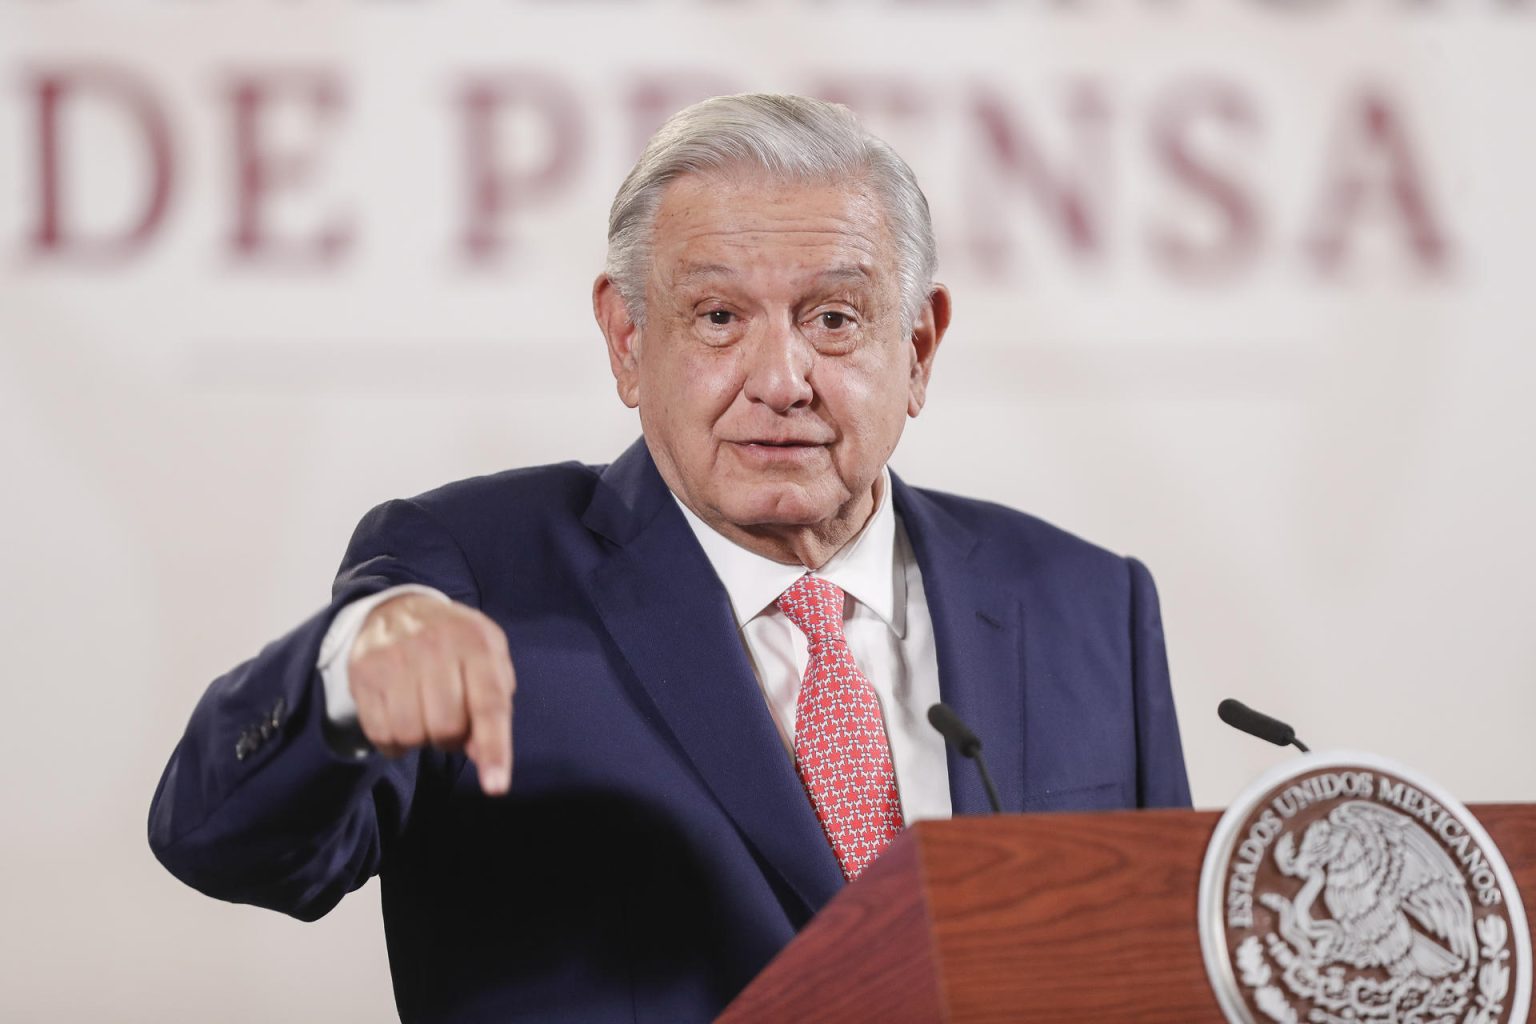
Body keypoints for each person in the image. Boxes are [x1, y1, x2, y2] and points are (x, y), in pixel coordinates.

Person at [149, 93, 1190, 1023]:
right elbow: (225, 844)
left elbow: (1161, 978)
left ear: (917, 348)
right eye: (720, 317)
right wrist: (343, 671)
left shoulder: (1085, 603)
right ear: (627, 341)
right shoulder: (474, 573)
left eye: (834, 318)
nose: (780, 378)